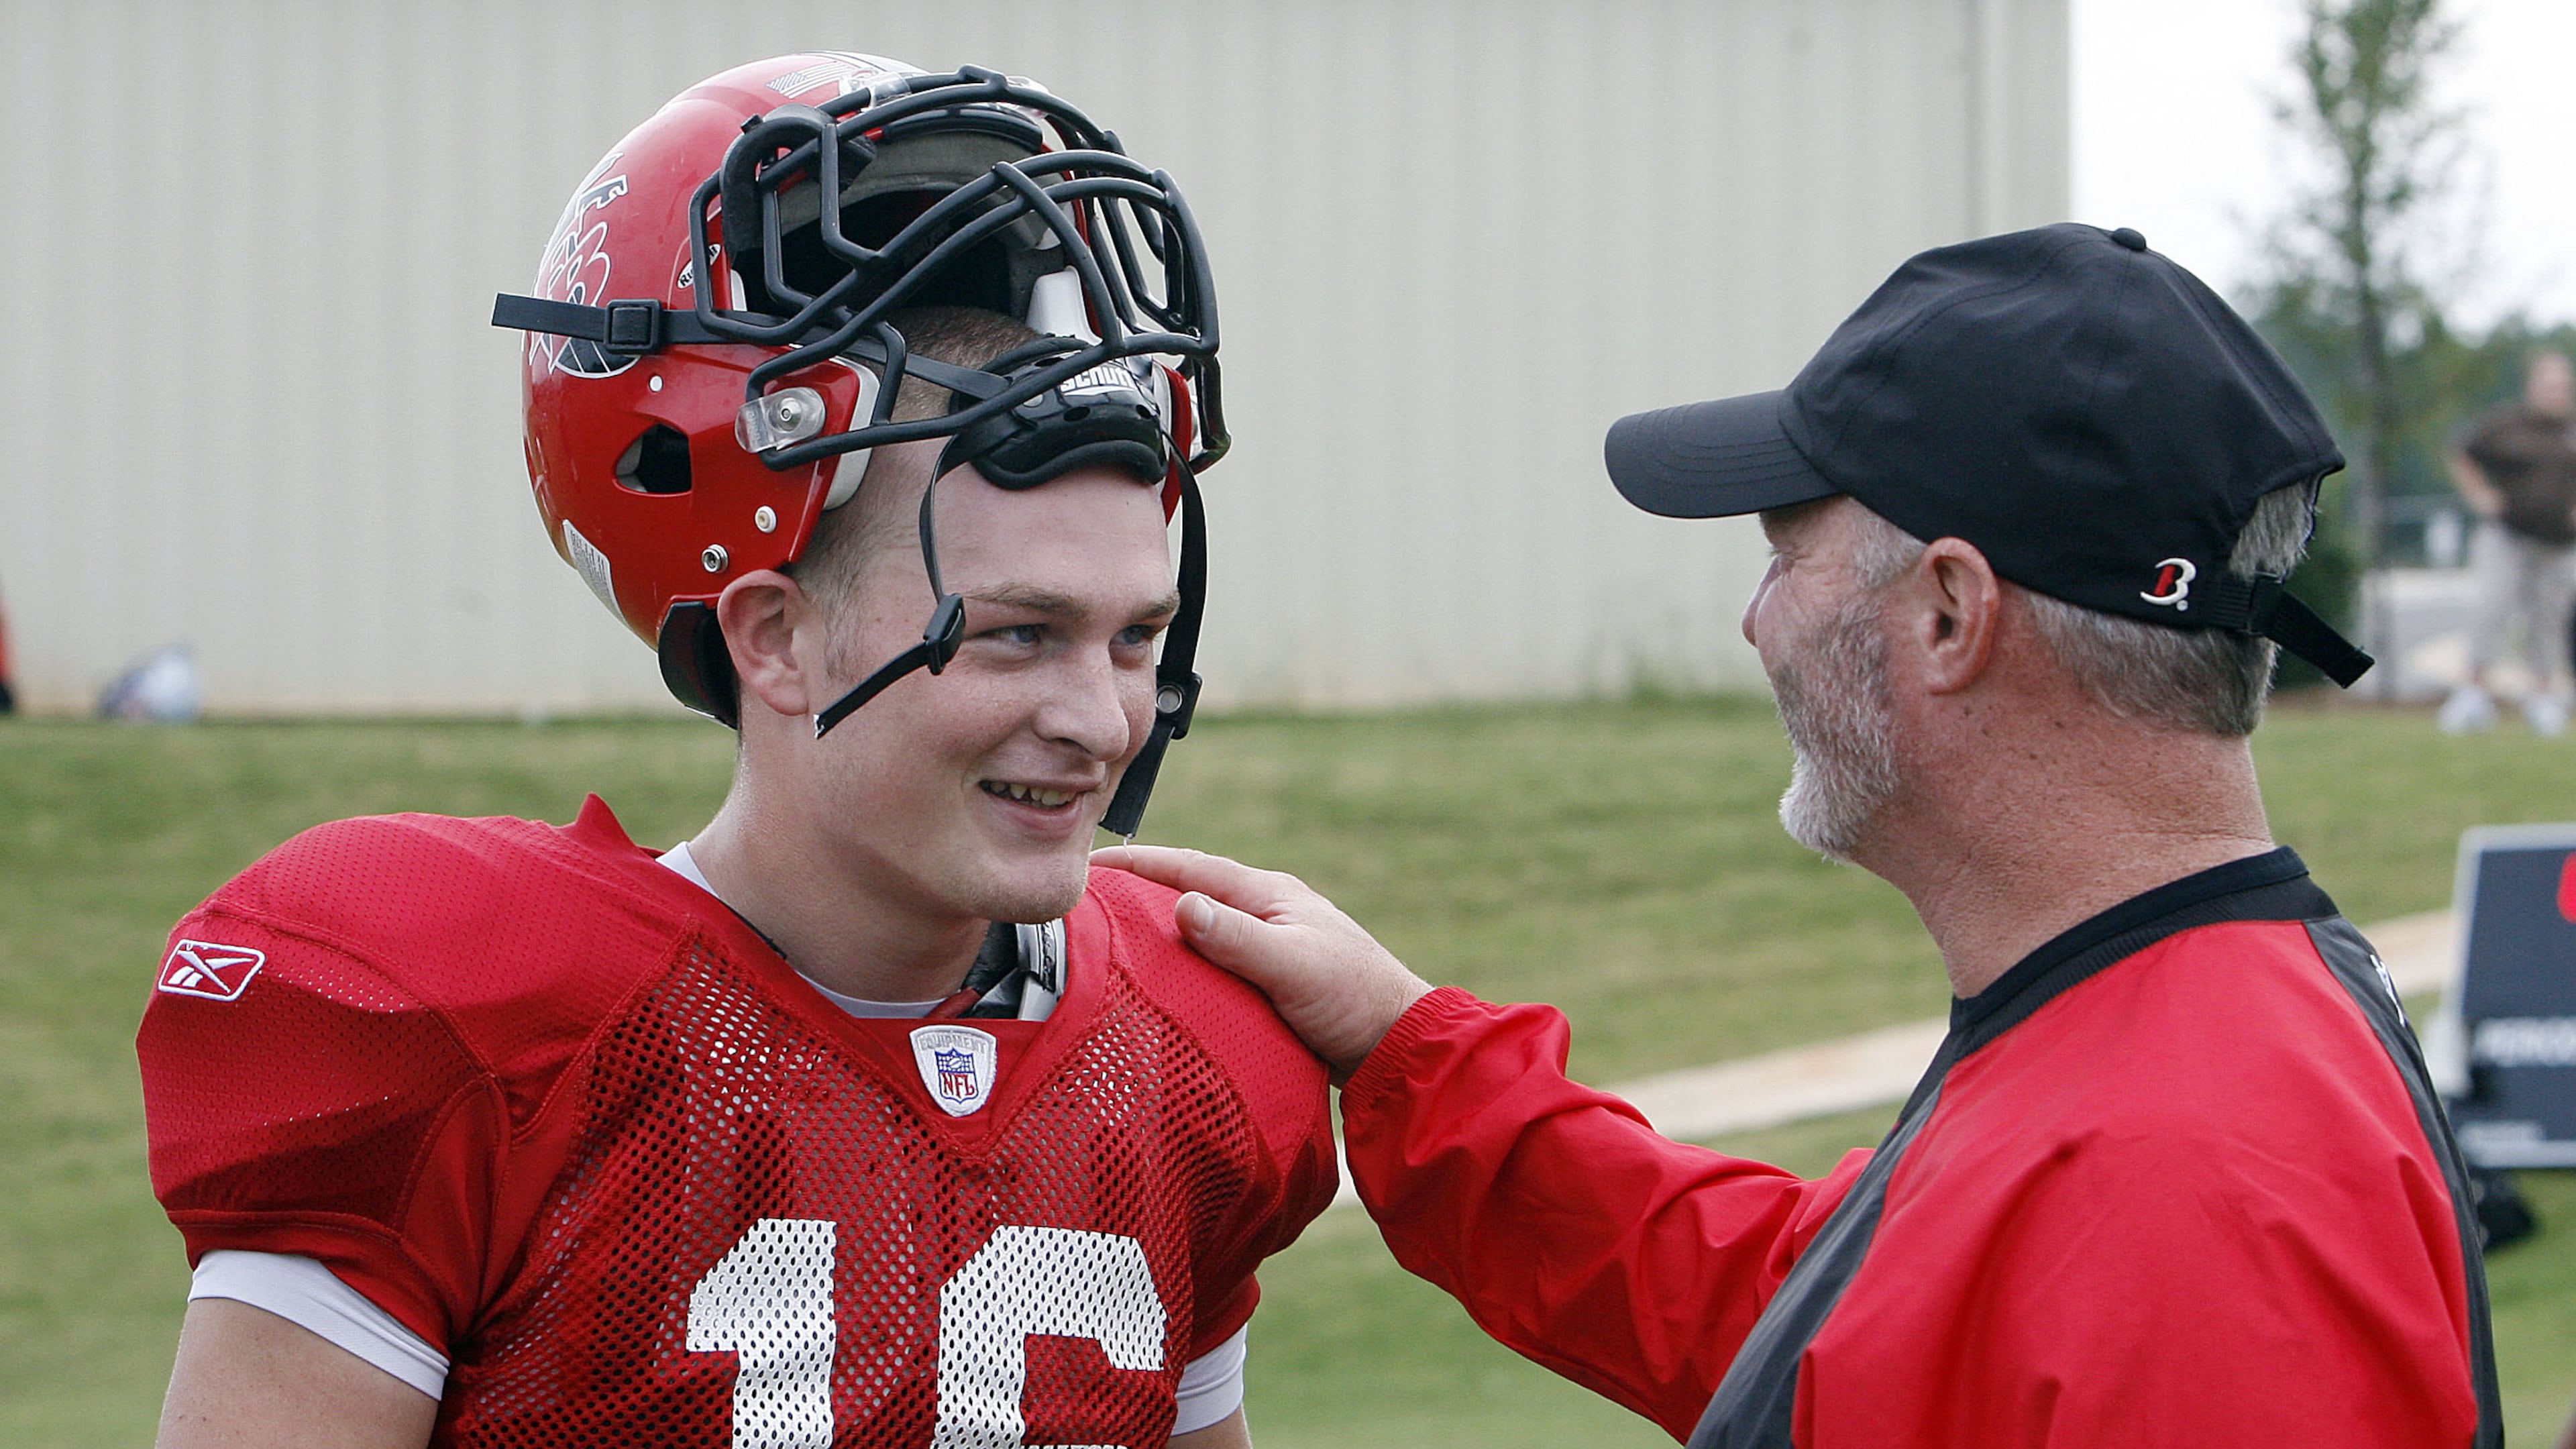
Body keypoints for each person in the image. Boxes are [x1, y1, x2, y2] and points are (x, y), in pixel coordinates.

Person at [1104, 225, 2500, 1447]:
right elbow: (1849, 1332)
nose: (1755, 623)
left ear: (1950, 615)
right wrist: (1408, 1046)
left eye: (1784, 555)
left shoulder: (2190, 1186)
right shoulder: (2158, 1043)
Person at [138, 53, 1334, 1449]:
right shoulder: (488, 1026)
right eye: (1015, 634)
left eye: (1137, 639)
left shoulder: (1186, 1046)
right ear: (772, 639)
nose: (1096, 718)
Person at [2439, 350, 2576, 735]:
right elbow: (2462, 453)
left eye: (2562, 385)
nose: (2555, 392)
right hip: (2508, 537)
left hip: (2560, 545)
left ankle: (2544, 697)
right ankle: (2473, 694)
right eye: (2548, 384)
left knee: (2549, 620)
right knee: (2491, 608)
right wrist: (2481, 496)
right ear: (2533, 385)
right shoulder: (2506, 425)